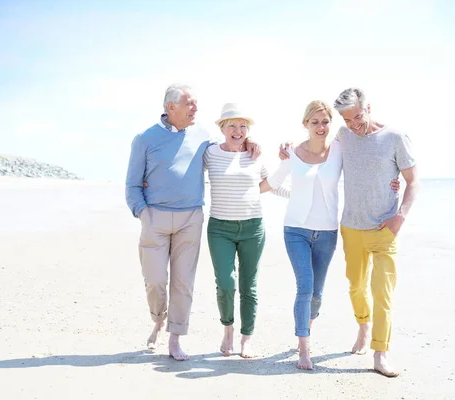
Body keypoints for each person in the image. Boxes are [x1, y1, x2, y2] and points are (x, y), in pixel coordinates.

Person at [124, 84, 260, 361]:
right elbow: (132, 184)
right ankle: (158, 319)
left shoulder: (202, 137)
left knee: (183, 282)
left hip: (191, 219)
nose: (196, 109)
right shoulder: (145, 139)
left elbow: (228, 149)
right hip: (155, 218)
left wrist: (249, 143)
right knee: (155, 281)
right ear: (171, 107)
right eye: (190, 104)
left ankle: (175, 338)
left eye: (196, 103)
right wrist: (143, 214)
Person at [268, 101, 401, 370]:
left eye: (325, 122)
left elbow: (368, 166)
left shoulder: (340, 148)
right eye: (314, 122)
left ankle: (310, 326)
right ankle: (304, 348)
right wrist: (293, 195)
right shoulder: (293, 152)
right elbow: (271, 185)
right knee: (305, 287)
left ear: (331, 124)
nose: (320, 127)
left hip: (328, 230)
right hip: (296, 228)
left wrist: (393, 183)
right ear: (305, 124)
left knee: (317, 294)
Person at [333, 87, 419, 377]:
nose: (355, 125)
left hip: (384, 228)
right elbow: (318, 155)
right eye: (348, 121)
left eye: (358, 116)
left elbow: (413, 181)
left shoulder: (395, 137)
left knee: (383, 293)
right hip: (351, 227)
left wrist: (400, 217)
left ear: (368, 107)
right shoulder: (343, 137)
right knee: (356, 287)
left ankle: (380, 353)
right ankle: (363, 324)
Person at [203, 103, 289, 358]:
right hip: (220, 228)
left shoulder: (255, 155)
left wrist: (299, 196)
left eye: (243, 126)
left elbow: (266, 185)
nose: (238, 131)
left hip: (253, 228)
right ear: (222, 128)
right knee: (226, 283)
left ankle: (246, 339)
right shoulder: (210, 153)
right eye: (232, 125)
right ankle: (228, 329)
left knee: (248, 286)